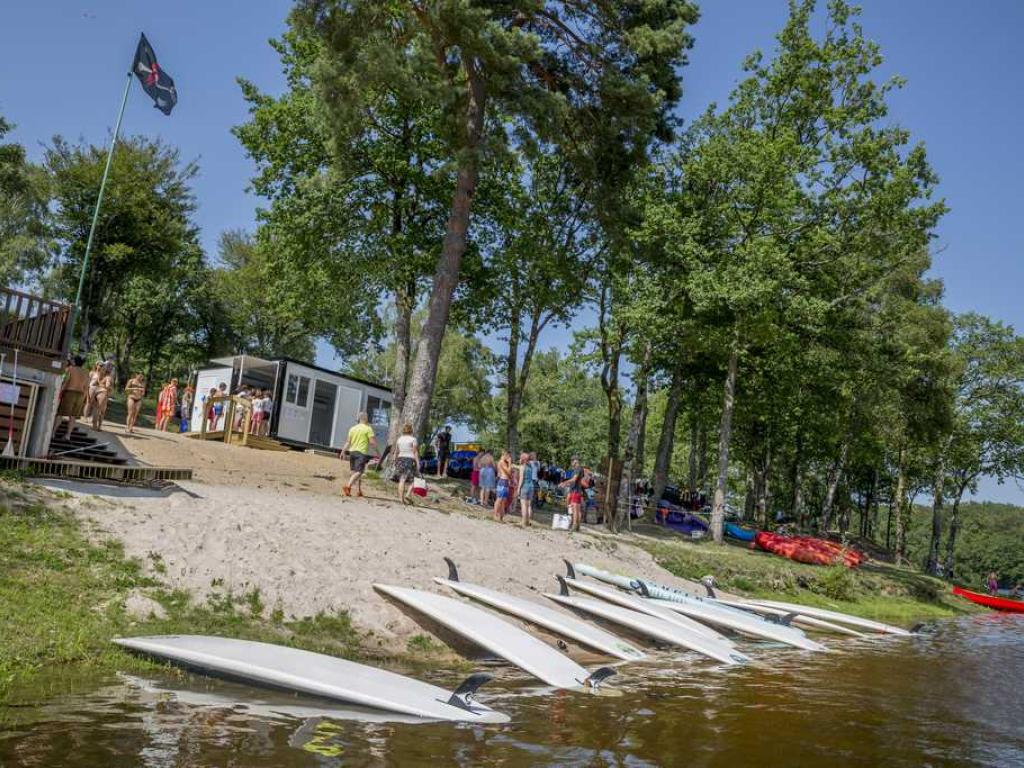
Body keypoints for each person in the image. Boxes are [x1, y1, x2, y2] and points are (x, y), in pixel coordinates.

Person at [341, 411, 378, 497]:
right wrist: (378, 452)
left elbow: (348, 442)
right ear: (365, 418)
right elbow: (372, 443)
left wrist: (343, 452)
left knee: (356, 473)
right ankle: (348, 486)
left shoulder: (352, 428)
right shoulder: (368, 428)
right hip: (361, 453)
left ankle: (359, 491)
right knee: (360, 472)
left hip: (352, 452)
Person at [53, 356, 89, 439]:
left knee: (60, 414)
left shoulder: (70, 369)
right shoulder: (86, 372)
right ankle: (68, 435)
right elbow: (87, 386)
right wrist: (84, 398)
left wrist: (60, 391)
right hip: (81, 394)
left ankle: (53, 432)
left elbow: (66, 381)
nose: (71, 361)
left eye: (72, 360)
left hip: (70, 392)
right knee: (73, 416)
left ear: (75, 362)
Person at [394, 422, 420, 505]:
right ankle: (408, 494)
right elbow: (415, 452)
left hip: (400, 459)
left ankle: (401, 499)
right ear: (411, 430)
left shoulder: (399, 439)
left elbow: (396, 451)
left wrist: (395, 460)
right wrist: (418, 462)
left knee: (402, 479)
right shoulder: (413, 439)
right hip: (409, 460)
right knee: (415, 479)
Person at [90, 364, 114, 431]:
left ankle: (95, 425)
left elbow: (93, 384)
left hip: (97, 392)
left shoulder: (99, 375)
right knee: (101, 411)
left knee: (96, 409)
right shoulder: (108, 377)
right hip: (103, 393)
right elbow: (108, 386)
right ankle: (98, 426)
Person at [494, 450, 513, 522]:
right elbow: (508, 472)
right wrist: (510, 463)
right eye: (508, 456)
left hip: (505, 482)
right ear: (505, 455)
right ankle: (495, 515)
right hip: (502, 481)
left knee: (503, 501)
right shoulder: (502, 462)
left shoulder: (504, 462)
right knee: (499, 499)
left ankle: (501, 517)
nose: (509, 458)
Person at [517, 451, 535, 527]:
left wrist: (518, 489)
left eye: (520, 458)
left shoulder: (522, 467)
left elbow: (521, 479)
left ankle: (523, 522)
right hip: (531, 487)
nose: (519, 459)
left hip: (524, 487)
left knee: (523, 505)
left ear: (523, 459)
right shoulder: (530, 466)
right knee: (528, 505)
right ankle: (527, 521)